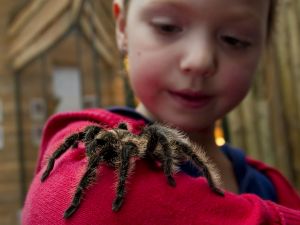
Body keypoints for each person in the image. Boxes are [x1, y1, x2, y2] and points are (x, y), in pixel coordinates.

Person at [22, 0, 300, 224]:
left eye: (234, 39)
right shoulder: (81, 146)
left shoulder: (273, 187)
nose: (200, 60)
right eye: (167, 27)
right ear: (121, 26)